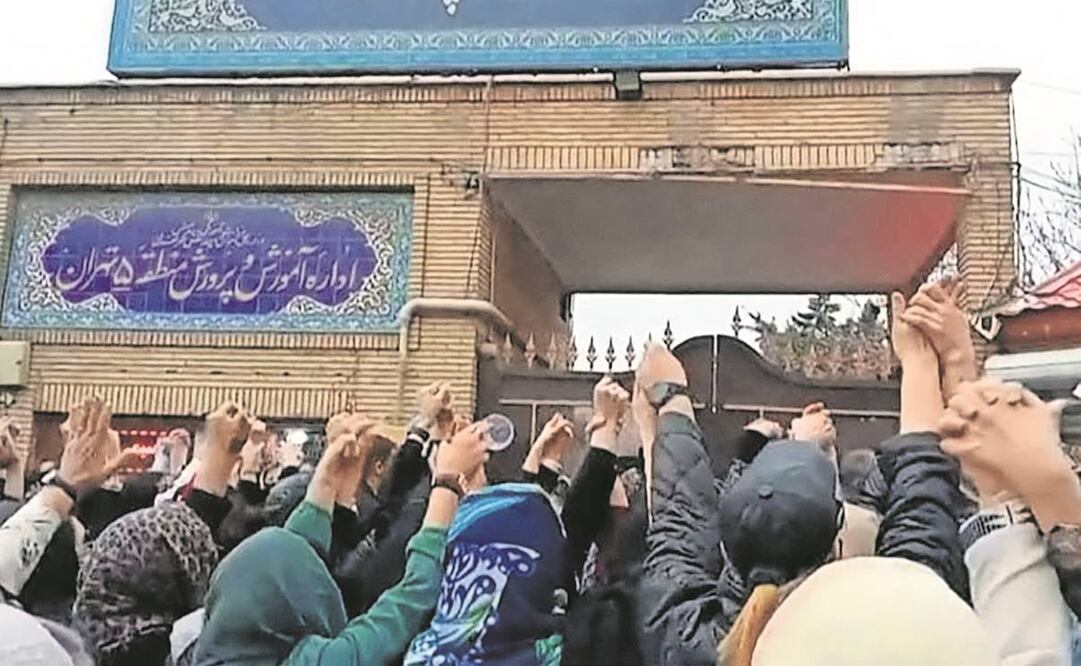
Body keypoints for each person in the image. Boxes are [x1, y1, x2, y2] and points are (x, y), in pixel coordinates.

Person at [192, 410, 488, 666]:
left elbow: (295, 555)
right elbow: (410, 598)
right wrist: (447, 483)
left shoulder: (213, 644)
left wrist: (327, 485)